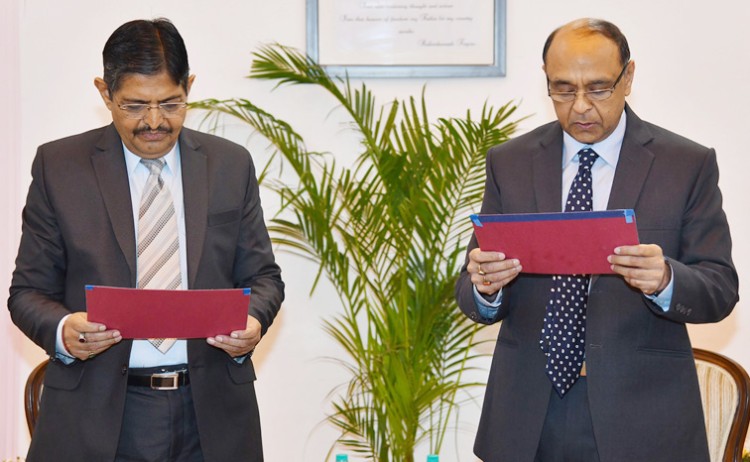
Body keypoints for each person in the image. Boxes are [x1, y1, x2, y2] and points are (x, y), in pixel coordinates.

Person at [455, 18, 738, 462]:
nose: (581, 106)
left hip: (642, 416)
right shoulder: (510, 162)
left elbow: (720, 289)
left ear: (628, 77)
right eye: (563, 89)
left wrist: (664, 279)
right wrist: (484, 286)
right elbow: (471, 290)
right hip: (527, 415)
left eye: (599, 88)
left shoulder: (685, 164)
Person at [9, 18, 284, 462]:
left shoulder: (230, 165)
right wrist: (64, 331)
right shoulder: (60, 167)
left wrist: (252, 322)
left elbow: (264, 277)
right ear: (104, 93)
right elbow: (26, 293)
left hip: (210, 415)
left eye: (171, 104)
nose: (154, 122)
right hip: (95, 416)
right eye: (134, 106)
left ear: (189, 87)